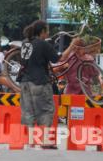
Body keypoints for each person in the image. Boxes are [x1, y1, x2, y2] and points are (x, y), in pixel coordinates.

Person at [19, 20, 71, 149]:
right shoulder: (43, 44)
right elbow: (59, 58)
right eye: (46, 30)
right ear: (42, 31)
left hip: (25, 82)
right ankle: (46, 141)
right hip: (39, 82)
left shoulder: (25, 43)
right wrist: (73, 45)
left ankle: (31, 141)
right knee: (47, 110)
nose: (48, 33)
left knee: (29, 111)